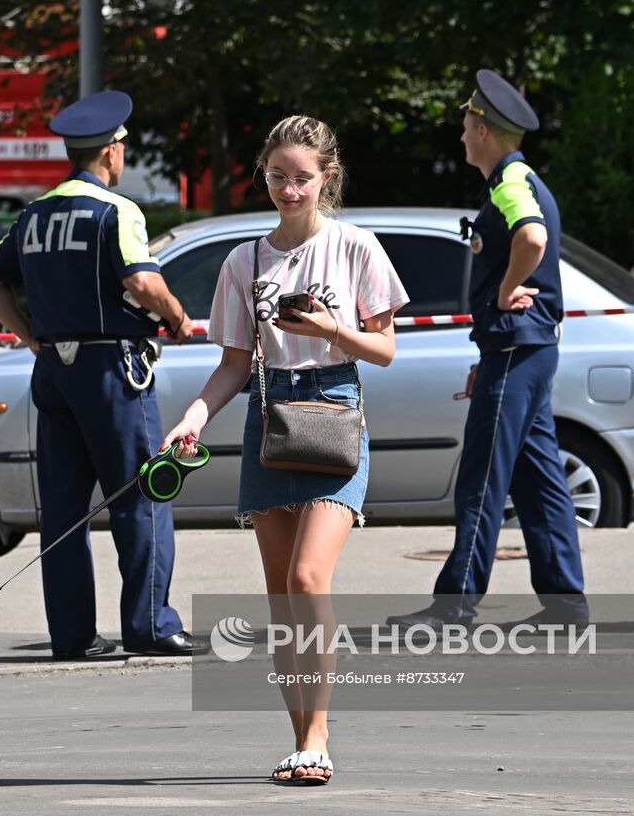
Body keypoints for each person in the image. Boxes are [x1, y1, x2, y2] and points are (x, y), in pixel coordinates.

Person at [162, 115, 408, 785]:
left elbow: (384, 349)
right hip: (269, 414)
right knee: (280, 598)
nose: (289, 189)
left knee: (306, 579)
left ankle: (320, 732)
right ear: (263, 175)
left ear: (326, 176)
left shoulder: (356, 246)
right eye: (277, 176)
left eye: (301, 177)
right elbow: (233, 363)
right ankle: (300, 738)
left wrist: (335, 329)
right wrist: (192, 416)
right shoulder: (244, 260)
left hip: (334, 407)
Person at [0, 89, 209, 660]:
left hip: (53, 371)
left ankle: (73, 636)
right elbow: (141, 281)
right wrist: (176, 318)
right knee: (142, 495)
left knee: (63, 506)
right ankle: (150, 626)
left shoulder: (35, 214)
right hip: (110, 372)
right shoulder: (115, 211)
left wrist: (31, 338)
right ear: (111, 152)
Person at [387, 70, 587, 632]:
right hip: (521, 350)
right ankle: (566, 604)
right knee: (539, 481)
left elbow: (532, 238)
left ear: (481, 130)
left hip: (516, 350)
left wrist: (503, 294)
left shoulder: (510, 182)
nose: (460, 139)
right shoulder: (513, 178)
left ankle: (455, 605)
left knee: (481, 480)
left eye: (465, 128)